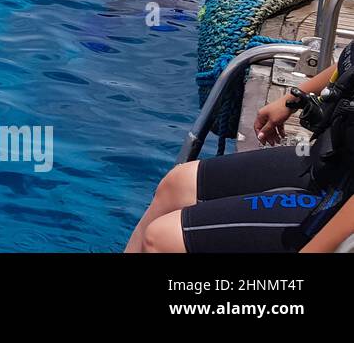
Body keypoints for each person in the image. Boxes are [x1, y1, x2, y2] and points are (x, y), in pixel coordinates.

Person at [126, 39, 354, 253]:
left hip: (340, 202)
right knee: (177, 184)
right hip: (328, 161)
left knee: (160, 239)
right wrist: (293, 99)